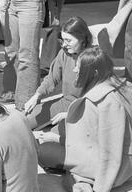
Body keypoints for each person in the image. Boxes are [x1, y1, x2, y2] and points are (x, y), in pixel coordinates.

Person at [36, 46, 132, 192]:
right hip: (116, 163)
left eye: (78, 67)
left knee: (41, 151)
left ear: (93, 73)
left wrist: (100, 187)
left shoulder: (106, 102)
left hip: (112, 172)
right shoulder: (121, 86)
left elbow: (111, 152)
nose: (74, 70)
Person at [24, 16, 92, 129]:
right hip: (67, 101)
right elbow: (52, 78)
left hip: (86, 107)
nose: (64, 44)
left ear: (82, 39)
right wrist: (37, 95)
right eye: (63, 40)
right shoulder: (64, 53)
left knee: (60, 132)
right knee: (24, 120)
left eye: (68, 41)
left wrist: (71, 115)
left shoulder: (94, 58)